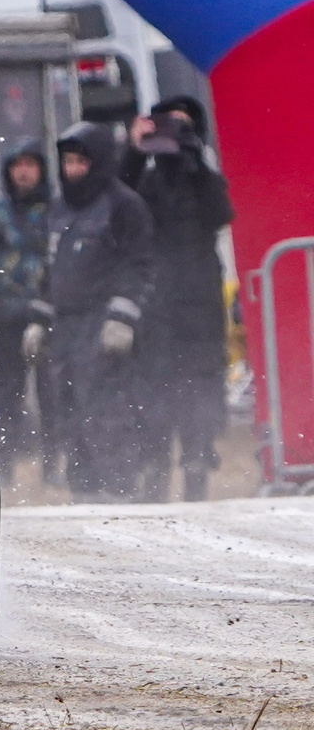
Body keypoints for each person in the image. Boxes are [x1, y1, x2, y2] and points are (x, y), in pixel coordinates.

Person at [38, 121, 157, 501]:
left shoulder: (124, 205)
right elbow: (50, 268)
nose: (73, 169)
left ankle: (120, 487)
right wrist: (40, 319)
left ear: (100, 162)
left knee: (106, 408)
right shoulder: (59, 208)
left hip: (102, 322)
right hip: (65, 325)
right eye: (67, 161)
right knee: (68, 406)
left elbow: (139, 264)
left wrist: (122, 317)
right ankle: (83, 490)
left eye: (81, 162)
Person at [123, 96, 233, 500]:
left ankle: (197, 462)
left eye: (184, 125)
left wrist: (195, 157)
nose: (176, 132)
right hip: (156, 303)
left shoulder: (203, 177)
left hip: (199, 303)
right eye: (169, 125)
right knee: (153, 387)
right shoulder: (147, 181)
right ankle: (153, 465)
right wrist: (135, 151)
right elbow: (119, 200)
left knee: (200, 386)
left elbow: (220, 213)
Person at [0, 146, 53, 474]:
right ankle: (5, 466)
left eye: (30, 164)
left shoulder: (55, 212)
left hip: (49, 317)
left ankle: (53, 465)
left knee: (53, 394)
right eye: (17, 165)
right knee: (7, 395)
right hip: (6, 318)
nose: (24, 172)